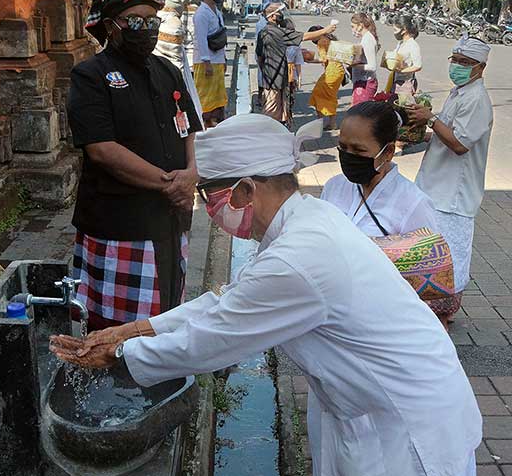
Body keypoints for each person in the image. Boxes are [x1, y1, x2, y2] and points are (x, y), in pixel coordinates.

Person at [51, 113, 481, 476]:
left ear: (245, 190)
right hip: (366, 403)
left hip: (406, 423)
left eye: (209, 194)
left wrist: (120, 355)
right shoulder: (305, 219)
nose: (207, 207)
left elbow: (217, 337)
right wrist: (138, 328)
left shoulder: (299, 255)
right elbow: (229, 299)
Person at [69, 0, 203, 330]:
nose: (145, 29)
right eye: (134, 21)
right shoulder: (90, 75)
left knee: (168, 311)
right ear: (111, 26)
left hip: (169, 219)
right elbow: (102, 150)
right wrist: (169, 183)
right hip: (119, 222)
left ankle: (165, 376)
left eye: (152, 20)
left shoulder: (168, 72)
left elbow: (188, 128)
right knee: (117, 329)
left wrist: (191, 173)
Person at [320, 102, 453, 327]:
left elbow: (432, 280)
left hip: (385, 323)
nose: (348, 156)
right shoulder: (334, 187)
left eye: (359, 150)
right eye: (342, 148)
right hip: (332, 319)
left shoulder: (413, 203)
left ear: (388, 152)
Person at [409, 36, 493, 311]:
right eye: (455, 60)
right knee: (433, 253)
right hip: (436, 186)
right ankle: (433, 304)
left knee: (451, 256)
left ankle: (446, 310)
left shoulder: (477, 99)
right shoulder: (460, 93)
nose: (457, 66)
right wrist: (425, 133)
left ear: (480, 67)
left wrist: (430, 118)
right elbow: (447, 135)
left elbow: (460, 144)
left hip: (453, 194)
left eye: (465, 62)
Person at [257, 4, 336, 125]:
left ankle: (278, 135)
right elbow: (305, 36)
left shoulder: (263, 32)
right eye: (279, 13)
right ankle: (267, 135)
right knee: (271, 110)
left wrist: (265, 71)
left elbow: (259, 56)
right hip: (276, 77)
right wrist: (326, 30)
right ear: (272, 16)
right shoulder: (278, 32)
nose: (281, 15)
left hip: (271, 75)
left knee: (280, 109)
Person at [193, 0, 227, 126]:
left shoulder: (217, 12)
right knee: (205, 95)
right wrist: (207, 63)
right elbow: (201, 39)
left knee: (218, 95)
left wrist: (224, 59)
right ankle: (204, 123)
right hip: (205, 61)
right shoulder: (201, 14)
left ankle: (216, 122)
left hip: (218, 58)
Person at [307, 25, 344, 130]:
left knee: (317, 95)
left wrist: (309, 61)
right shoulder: (330, 38)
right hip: (339, 71)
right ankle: (332, 123)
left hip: (331, 72)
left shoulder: (321, 42)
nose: (311, 38)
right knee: (330, 96)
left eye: (311, 36)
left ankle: (320, 123)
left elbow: (323, 59)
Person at [350, 13, 379, 106]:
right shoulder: (366, 38)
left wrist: (355, 65)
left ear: (360, 26)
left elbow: (372, 66)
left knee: (360, 114)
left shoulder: (368, 39)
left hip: (366, 82)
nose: (352, 30)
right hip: (361, 81)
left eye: (353, 26)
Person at [389, 16, 422, 96]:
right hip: (396, 80)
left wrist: (402, 71)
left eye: (395, 30)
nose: (394, 33)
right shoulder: (401, 43)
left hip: (405, 84)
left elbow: (418, 66)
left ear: (404, 30)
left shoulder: (413, 45)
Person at [285, 19, 305, 128]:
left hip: (288, 72)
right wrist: (300, 77)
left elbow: (298, 62)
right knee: (287, 97)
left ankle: (287, 117)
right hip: (286, 71)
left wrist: (300, 77)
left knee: (288, 97)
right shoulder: (294, 44)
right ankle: (286, 117)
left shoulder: (295, 44)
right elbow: (298, 62)